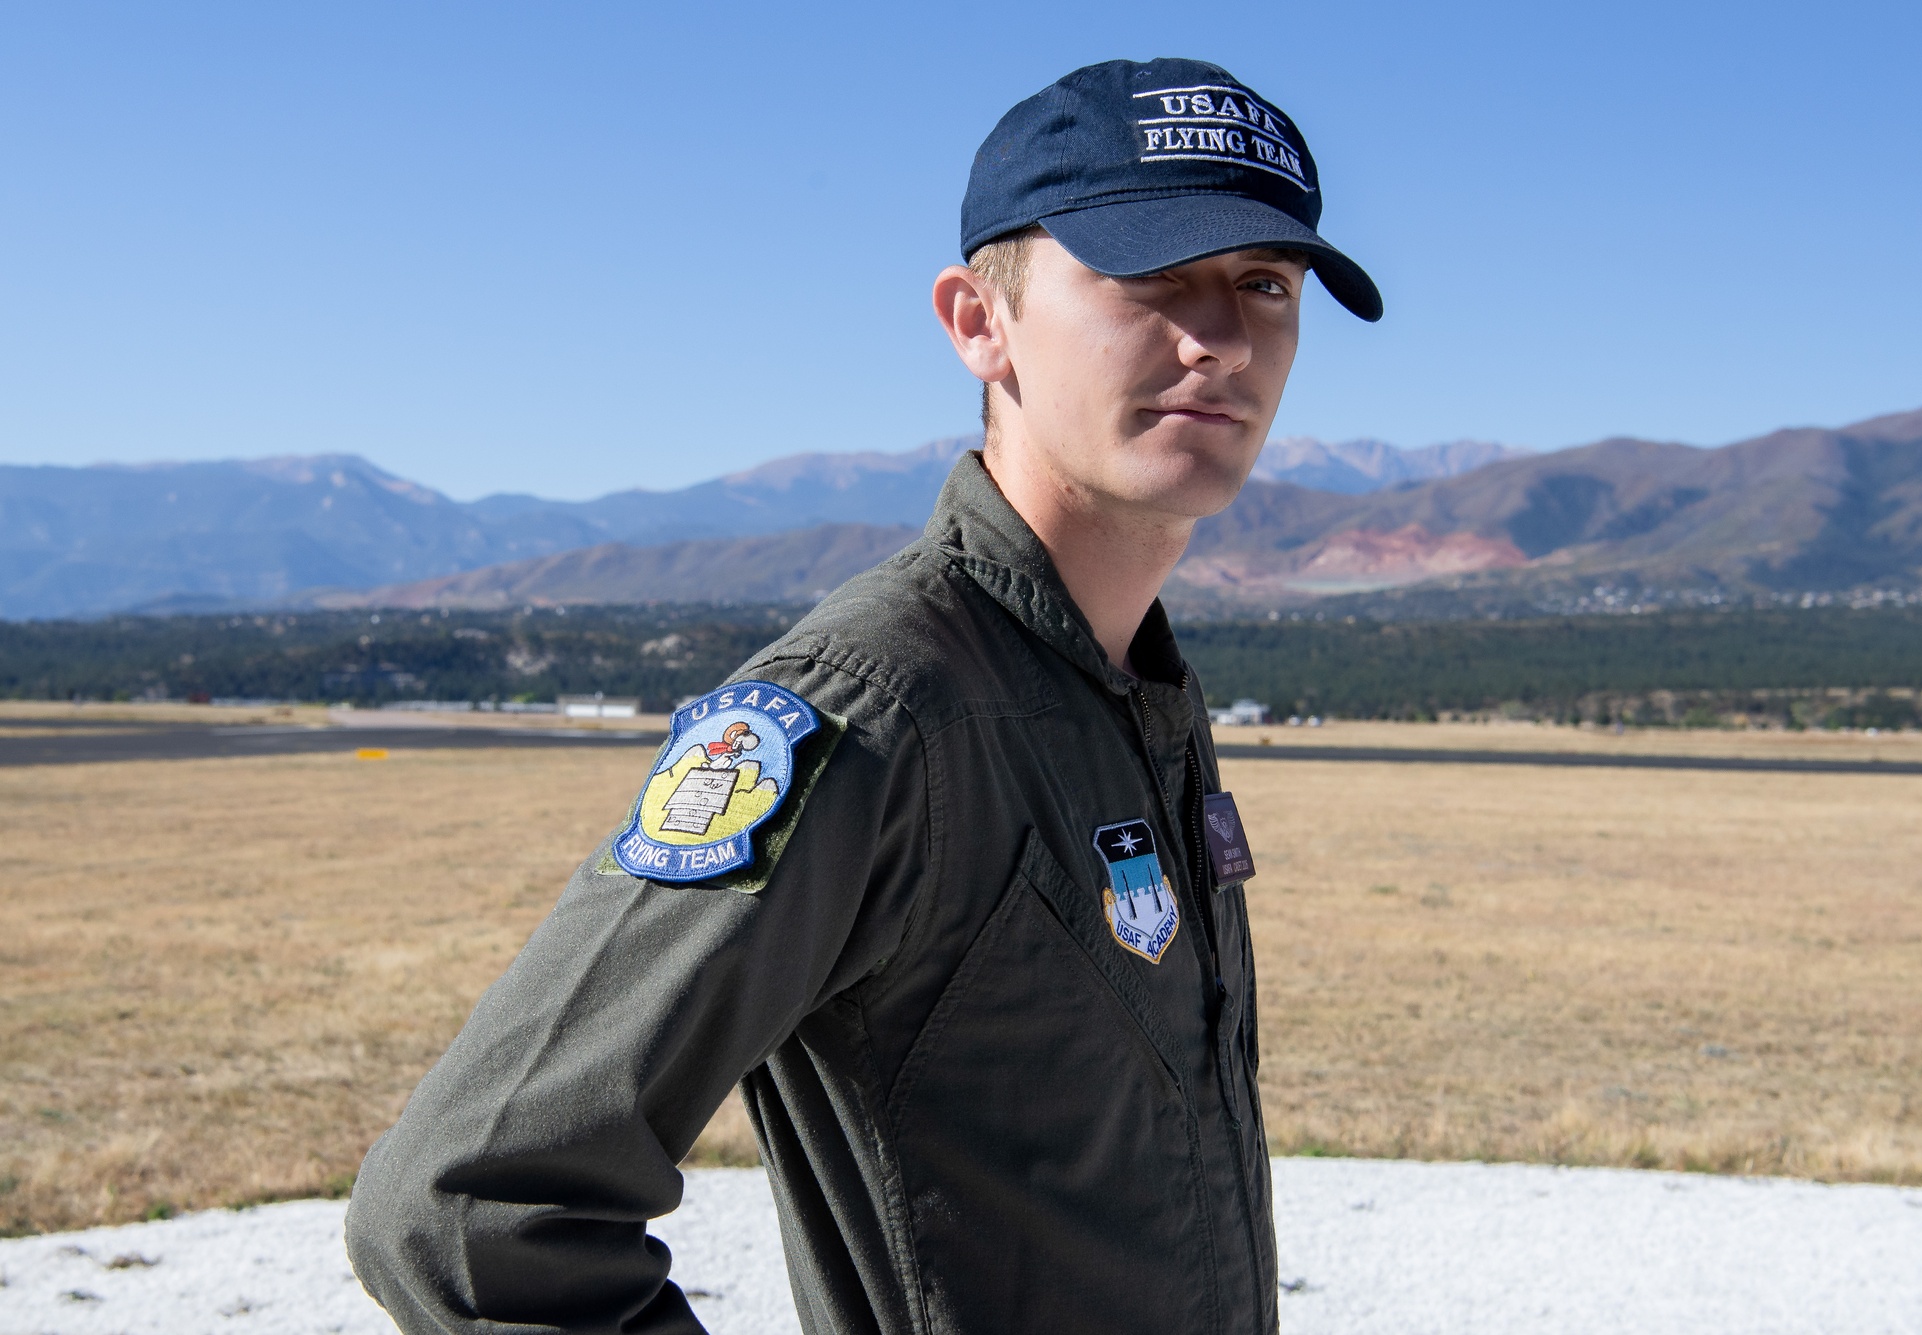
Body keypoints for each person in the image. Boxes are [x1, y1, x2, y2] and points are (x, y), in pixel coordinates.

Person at [345, 56, 1380, 1335]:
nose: (1218, 338)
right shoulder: (874, 713)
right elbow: (466, 1211)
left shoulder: (1126, 687)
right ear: (976, 321)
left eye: (1264, 287)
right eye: (1151, 275)